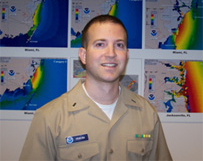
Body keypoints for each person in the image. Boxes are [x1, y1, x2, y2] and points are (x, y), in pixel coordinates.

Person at [20, 15, 172, 160]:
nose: (111, 53)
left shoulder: (146, 113)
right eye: (100, 44)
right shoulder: (50, 118)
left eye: (119, 45)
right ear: (83, 55)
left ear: (126, 54)